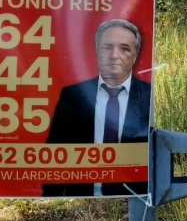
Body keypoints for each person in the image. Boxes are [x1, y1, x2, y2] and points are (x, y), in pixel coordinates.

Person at [42, 19, 151, 197]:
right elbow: (56, 152)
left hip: (135, 202)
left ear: (135, 55)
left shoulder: (150, 96)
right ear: (97, 51)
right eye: (107, 47)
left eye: (124, 49)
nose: (114, 55)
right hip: (82, 203)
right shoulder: (73, 95)